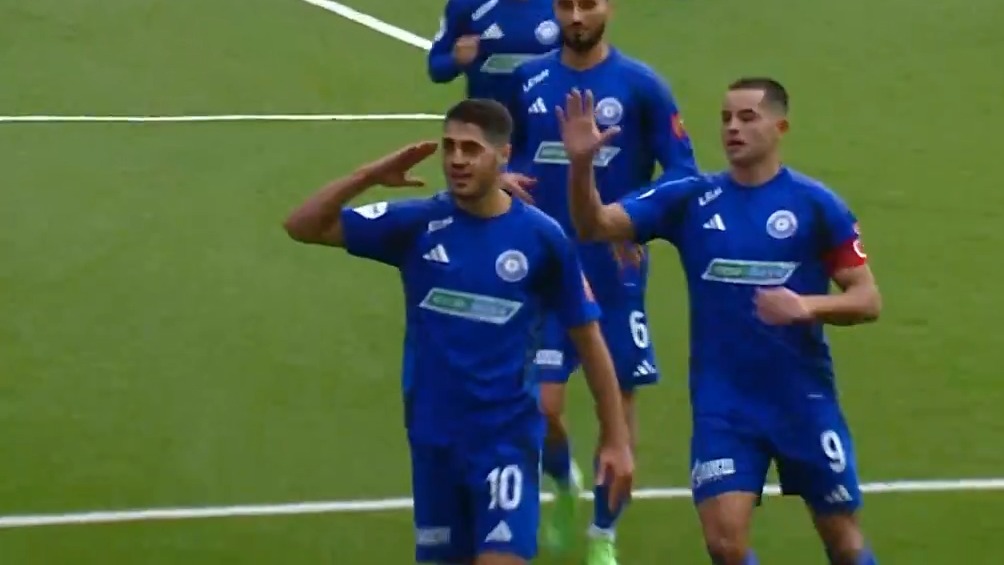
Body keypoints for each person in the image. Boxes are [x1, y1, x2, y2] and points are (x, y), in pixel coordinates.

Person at [282, 98, 634, 565]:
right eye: (449, 147)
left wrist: (615, 439)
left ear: (503, 155)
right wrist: (369, 175)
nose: (457, 159)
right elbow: (302, 226)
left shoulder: (542, 238)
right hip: (434, 442)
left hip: (506, 441)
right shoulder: (418, 223)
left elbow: (589, 339)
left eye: (471, 149)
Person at [557, 80, 883, 565]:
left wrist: (807, 307)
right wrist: (582, 166)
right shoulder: (691, 198)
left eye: (748, 118)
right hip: (724, 406)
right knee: (724, 544)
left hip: (803, 401)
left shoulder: (817, 205)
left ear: (780, 126)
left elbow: (867, 299)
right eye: (727, 118)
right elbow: (594, 225)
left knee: (844, 542)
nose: (733, 128)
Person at [503, 1, 698, 561]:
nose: (576, 16)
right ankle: (564, 485)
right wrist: (502, 177)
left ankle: (603, 533)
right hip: (542, 264)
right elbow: (501, 152)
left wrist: (629, 218)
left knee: (619, 402)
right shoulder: (527, 80)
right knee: (543, 407)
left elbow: (683, 170)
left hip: (613, 268)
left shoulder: (641, 86)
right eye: (566, 5)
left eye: (586, 4)